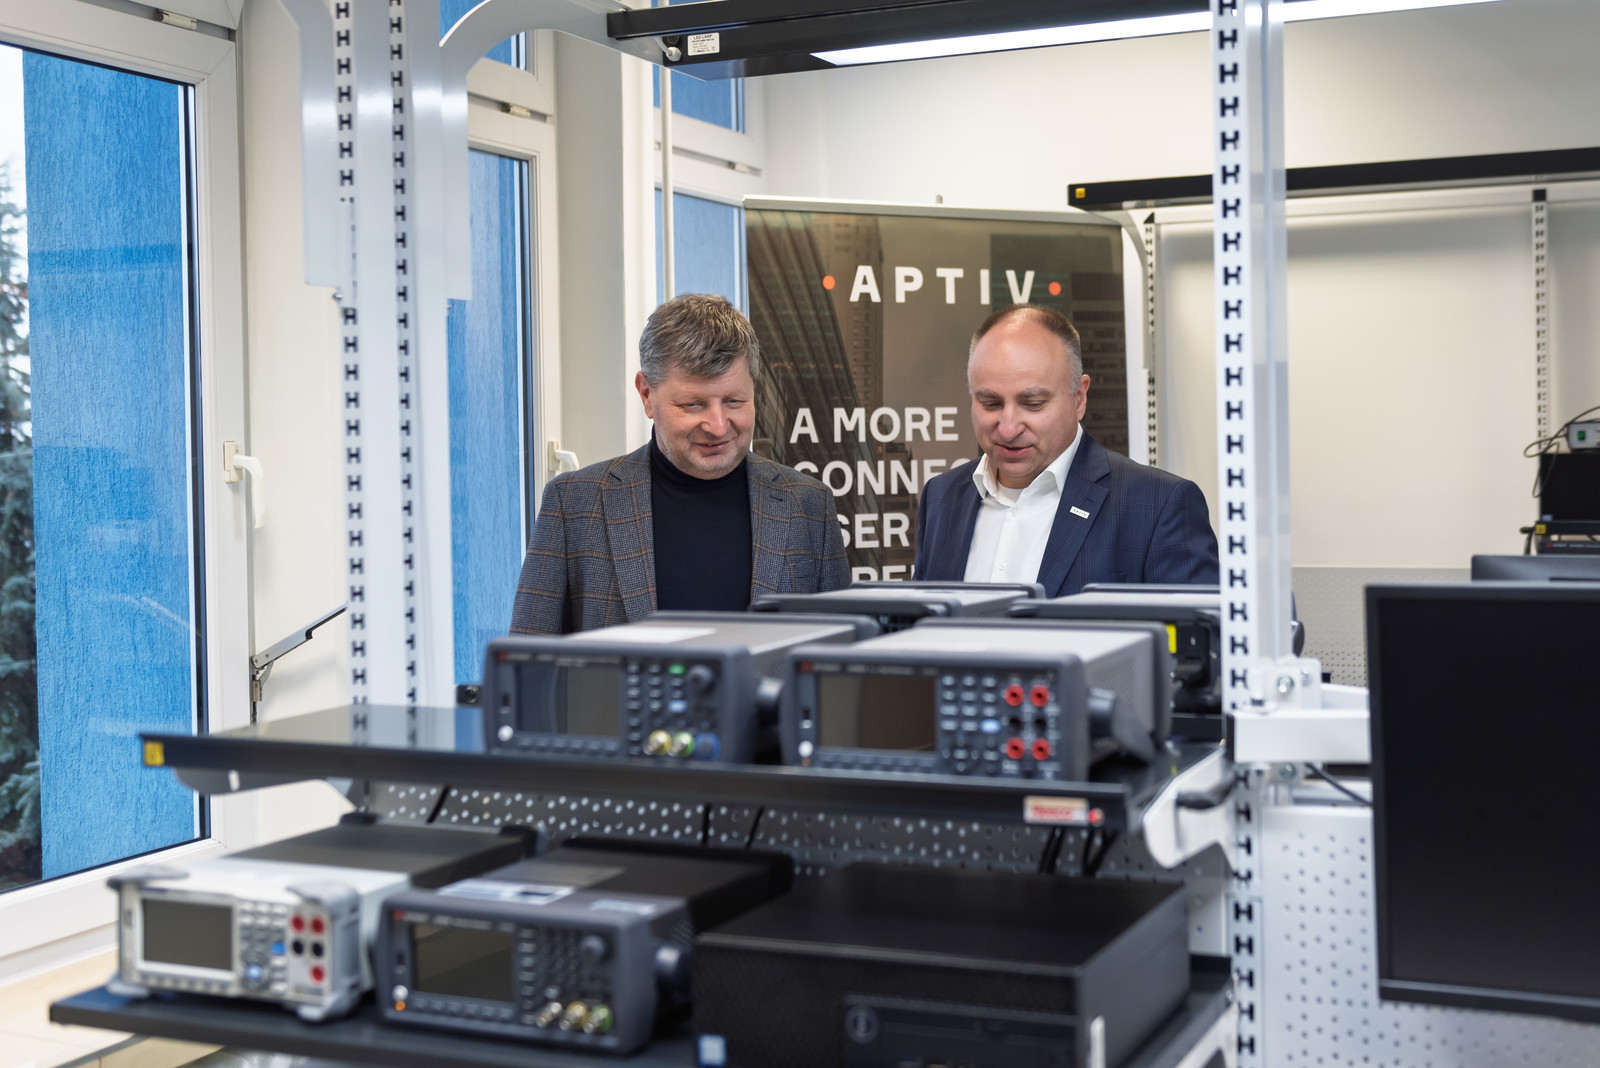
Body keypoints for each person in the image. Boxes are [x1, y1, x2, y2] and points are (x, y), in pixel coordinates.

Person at [511, 293, 850, 634]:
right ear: (647, 394)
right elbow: (528, 658)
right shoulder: (574, 505)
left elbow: (841, 655)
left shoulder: (808, 506)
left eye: (734, 401)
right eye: (692, 405)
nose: (718, 426)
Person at [913, 304, 1218, 596]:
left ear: (1079, 398)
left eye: (1033, 404)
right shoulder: (941, 498)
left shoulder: (1157, 506)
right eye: (990, 403)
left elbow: (1194, 632)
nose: (1008, 428)